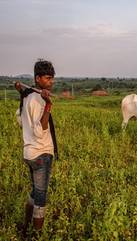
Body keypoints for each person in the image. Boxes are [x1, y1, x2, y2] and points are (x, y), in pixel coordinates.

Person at [15, 59, 58, 236]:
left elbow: (19, 119)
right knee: (41, 197)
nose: (51, 82)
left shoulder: (27, 96)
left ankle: (25, 228)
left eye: (52, 78)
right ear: (38, 79)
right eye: (48, 78)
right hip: (41, 154)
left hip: (29, 153)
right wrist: (48, 104)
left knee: (34, 193)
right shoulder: (39, 100)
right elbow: (41, 132)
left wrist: (21, 92)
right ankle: (36, 236)